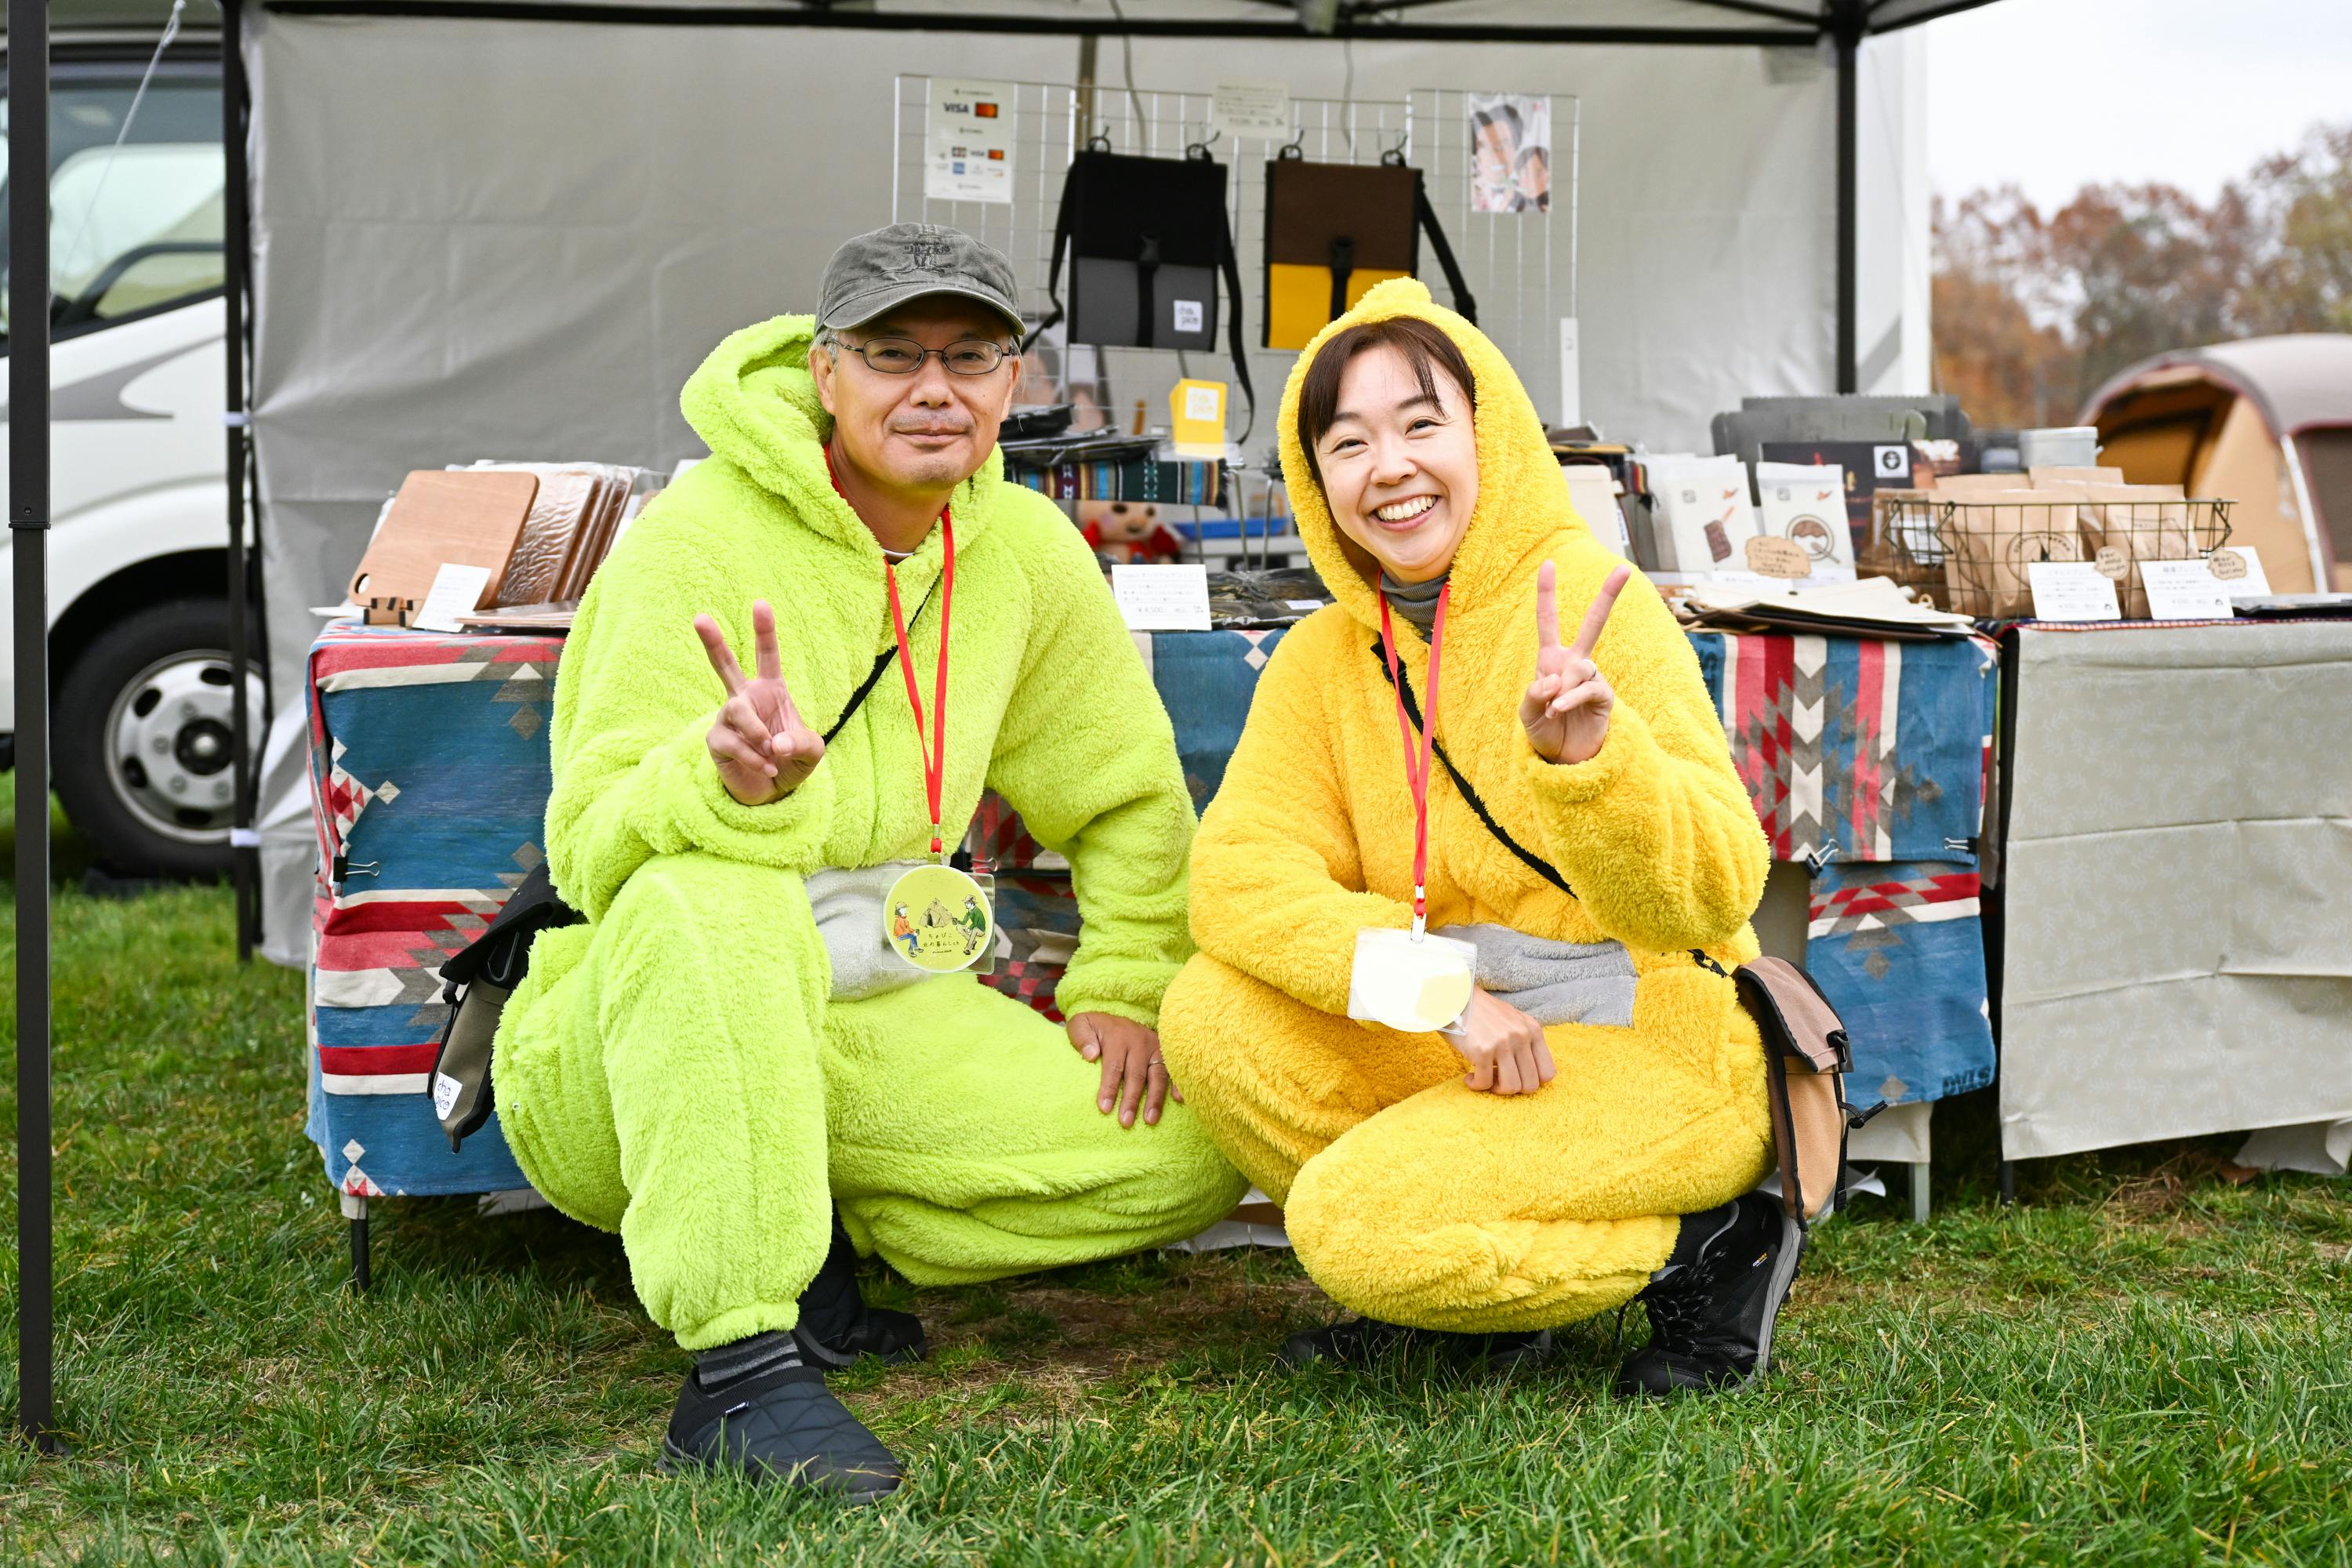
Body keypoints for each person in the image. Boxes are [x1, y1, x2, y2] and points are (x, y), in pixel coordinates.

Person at [493, 223, 1245, 1498]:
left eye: (969, 356)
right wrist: (719, 782)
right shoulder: (690, 538)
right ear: (825, 371)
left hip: (879, 1002)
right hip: (647, 1028)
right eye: (894, 355)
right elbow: (589, 841)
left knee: (1195, 1144)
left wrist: (1125, 981)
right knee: (709, 890)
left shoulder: (1028, 552)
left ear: (1014, 379)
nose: (934, 388)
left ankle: (825, 1221)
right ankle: (741, 1367)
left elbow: (1127, 797)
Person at [1159, 278, 1794, 1399]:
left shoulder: (1592, 601)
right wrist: (1435, 990)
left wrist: (1595, 769)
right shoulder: (1320, 659)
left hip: (1651, 1026)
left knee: (1352, 1228)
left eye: (1420, 424)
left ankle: (1710, 1246)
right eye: (1348, 442)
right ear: (1316, 481)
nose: (1389, 467)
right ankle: (1465, 1289)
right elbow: (1240, 879)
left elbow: (1717, 892)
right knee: (1211, 1014)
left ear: (1485, 432)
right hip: (1470, 1017)